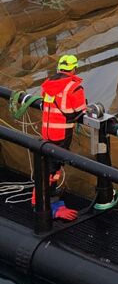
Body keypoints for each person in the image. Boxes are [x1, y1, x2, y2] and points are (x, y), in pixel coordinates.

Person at [35, 53, 87, 220]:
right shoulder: (74, 87)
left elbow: (47, 103)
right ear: (74, 68)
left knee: (48, 166)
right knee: (53, 169)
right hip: (62, 133)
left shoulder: (48, 84)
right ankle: (46, 204)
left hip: (47, 132)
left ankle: (45, 195)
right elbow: (80, 112)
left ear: (59, 67)